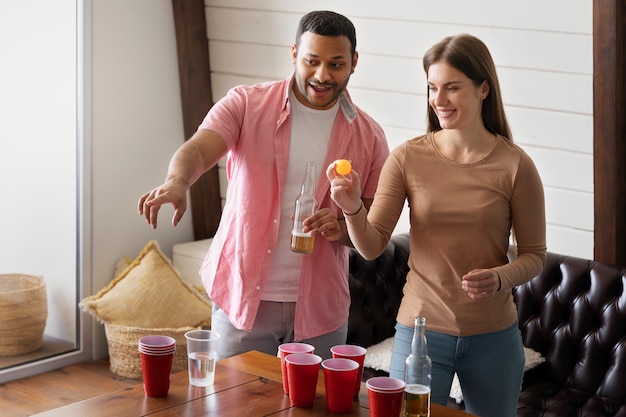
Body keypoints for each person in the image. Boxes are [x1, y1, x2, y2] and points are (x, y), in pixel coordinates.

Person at [138, 10, 390, 361]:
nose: (322, 75)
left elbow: (371, 229)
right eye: (311, 61)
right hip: (244, 300)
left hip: (320, 309)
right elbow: (199, 148)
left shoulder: (370, 135)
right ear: (293, 55)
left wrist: (342, 228)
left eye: (335, 64)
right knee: (232, 406)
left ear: (354, 62)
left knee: (312, 411)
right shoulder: (246, 104)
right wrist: (178, 181)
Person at [327, 34, 546, 417]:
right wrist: (350, 209)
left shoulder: (516, 165)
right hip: (420, 332)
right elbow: (372, 245)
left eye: (452, 88)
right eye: (432, 87)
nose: (439, 100)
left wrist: (499, 278)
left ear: (483, 89)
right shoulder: (408, 158)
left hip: (494, 336)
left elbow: (534, 256)